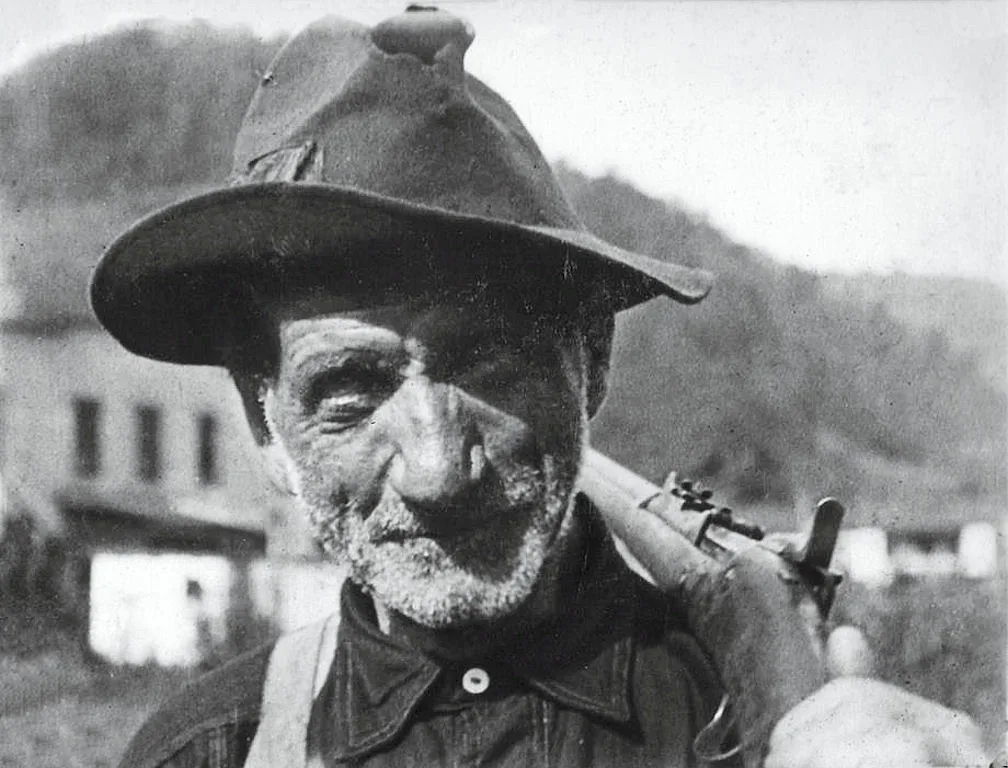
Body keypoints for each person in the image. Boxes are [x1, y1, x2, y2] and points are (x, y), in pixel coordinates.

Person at [92, 8, 986, 768]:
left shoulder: (769, 723)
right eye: (351, 391)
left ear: (592, 361)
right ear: (266, 428)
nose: (437, 469)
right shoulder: (209, 752)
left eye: (490, 360)